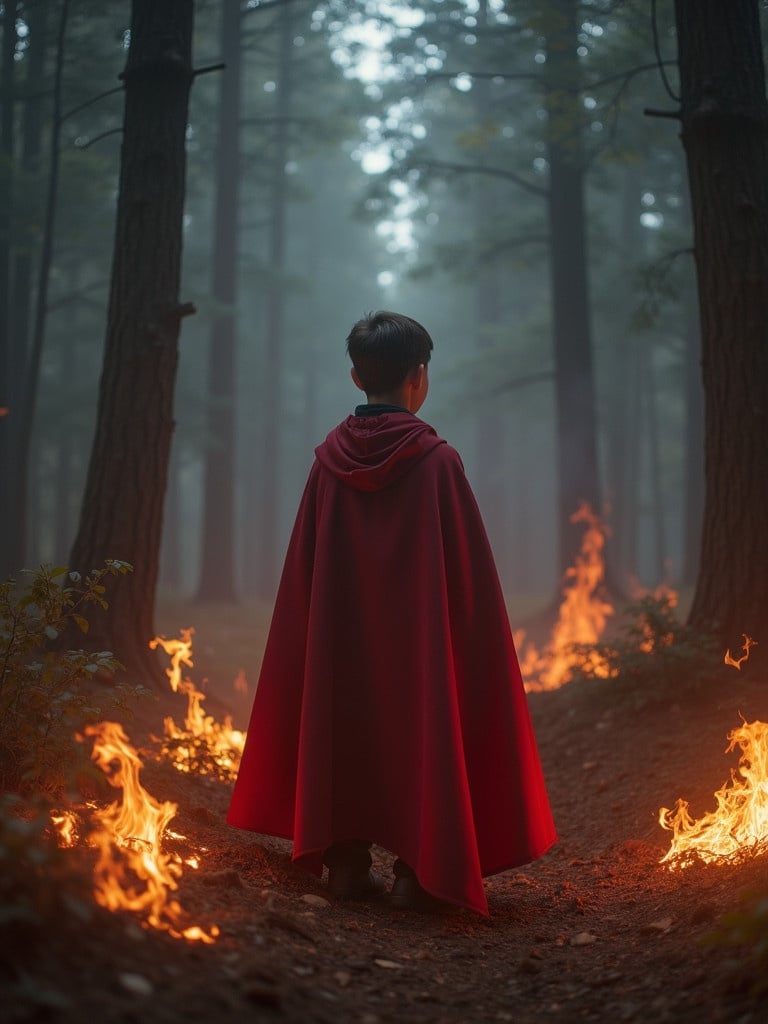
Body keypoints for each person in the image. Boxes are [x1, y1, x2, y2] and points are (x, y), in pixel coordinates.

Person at [227, 311, 557, 915]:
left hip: (342, 644)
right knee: (424, 726)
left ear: (356, 378)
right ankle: (416, 875)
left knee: (342, 719)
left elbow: (308, 573)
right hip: (420, 649)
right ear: (420, 377)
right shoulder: (438, 465)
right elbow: (468, 581)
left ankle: (347, 866)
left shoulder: (327, 466)